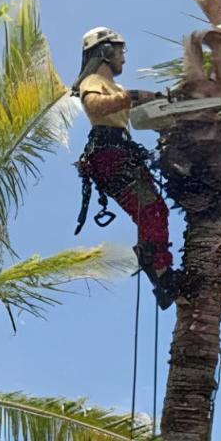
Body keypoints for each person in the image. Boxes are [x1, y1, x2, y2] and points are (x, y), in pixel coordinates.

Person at [72, 27, 180, 309]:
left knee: (154, 211)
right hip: (110, 155)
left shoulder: (117, 89)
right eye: (120, 51)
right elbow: (96, 106)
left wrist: (163, 102)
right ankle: (161, 271)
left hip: (121, 154)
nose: (123, 57)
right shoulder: (92, 81)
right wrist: (132, 95)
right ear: (105, 51)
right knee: (152, 211)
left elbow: (139, 109)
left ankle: (161, 273)